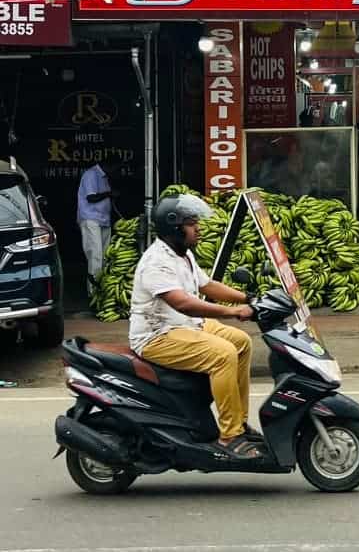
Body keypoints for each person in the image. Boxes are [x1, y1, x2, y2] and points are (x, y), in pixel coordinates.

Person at [129, 194, 261, 458]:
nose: (197, 228)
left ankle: (239, 421)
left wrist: (249, 298)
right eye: (191, 223)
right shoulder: (156, 262)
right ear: (174, 228)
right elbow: (184, 304)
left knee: (241, 343)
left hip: (188, 326)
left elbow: (207, 285)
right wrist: (232, 312)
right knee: (222, 354)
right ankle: (229, 436)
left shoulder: (183, 254)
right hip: (158, 336)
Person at [78, 158, 118, 296]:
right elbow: (91, 197)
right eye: (114, 168)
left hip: (104, 220)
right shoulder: (91, 174)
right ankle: (93, 292)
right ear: (107, 165)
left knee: (105, 256)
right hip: (91, 219)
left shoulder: (104, 177)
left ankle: (103, 289)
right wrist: (109, 194)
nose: (114, 171)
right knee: (95, 255)